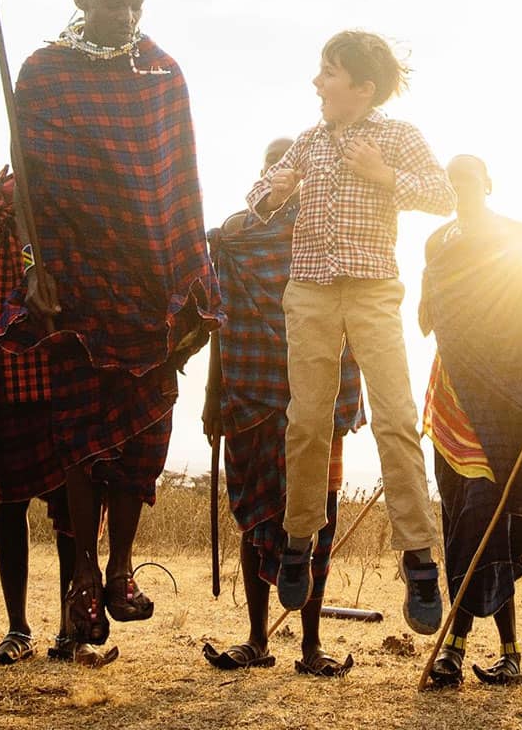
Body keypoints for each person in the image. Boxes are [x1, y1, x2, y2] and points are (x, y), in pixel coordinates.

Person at [0, 0, 218, 656]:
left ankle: (121, 567)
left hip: (151, 278)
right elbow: (28, 182)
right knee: (79, 432)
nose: (126, 14)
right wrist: (34, 266)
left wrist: (190, 275)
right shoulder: (44, 72)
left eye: (136, 3)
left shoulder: (162, 72)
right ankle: (85, 572)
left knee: (144, 431)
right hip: (76, 276)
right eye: (113, 1)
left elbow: (180, 179)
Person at [246, 30, 456, 634]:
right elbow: (258, 192)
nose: (317, 82)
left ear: (363, 87)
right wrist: (273, 193)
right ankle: (299, 540)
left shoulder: (398, 136)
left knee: (395, 418)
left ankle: (418, 557)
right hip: (310, 291)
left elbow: (442, 195)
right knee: (307, 422)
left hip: (371, 290)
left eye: (329, 72)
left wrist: (385, 175)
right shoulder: (309, 140)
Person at [201, 136, 365, 677]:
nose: (281, 175)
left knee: (317, 519)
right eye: (272, 167)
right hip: (250, 394)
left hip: (318, 399)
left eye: (290, 167)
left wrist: (351, 395)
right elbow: (220, 323)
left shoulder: (332, 236)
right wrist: (212, 397)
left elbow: (359, 315)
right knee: (256, 517)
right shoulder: (234, 238)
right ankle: (256, 639)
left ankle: (312, 646)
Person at [419, 155, 522, 687]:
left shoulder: (517, 235)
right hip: (452, 398)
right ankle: (495, 652)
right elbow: (426, 318)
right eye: (452, 181)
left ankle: (466, 649)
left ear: (488, 183)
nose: (461, 187)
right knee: (459, 519)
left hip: (503, 400)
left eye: (469, 179)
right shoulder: (437, 243)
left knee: (489, 519)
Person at [0, 167, 91, 667]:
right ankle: (17, 627)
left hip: (66, 367)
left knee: (73, 506)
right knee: (11, 498)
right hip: (10, 371)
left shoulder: (73, 194)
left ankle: (70, 628)